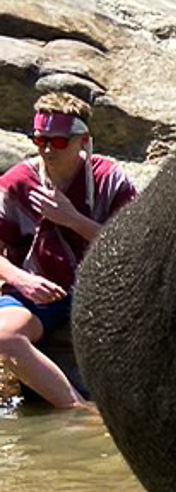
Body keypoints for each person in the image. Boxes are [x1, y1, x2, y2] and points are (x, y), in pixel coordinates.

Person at [0, 92, 138, 410]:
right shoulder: (19, 182)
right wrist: (22, 280)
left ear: (83, 142)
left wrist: (72, 219)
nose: (47, 149)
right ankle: (78, 412)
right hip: (36, 292)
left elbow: (130, 246)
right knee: (5, 336)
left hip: (100, 288)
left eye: (59, 142)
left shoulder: (110, 180)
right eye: (40, 140)